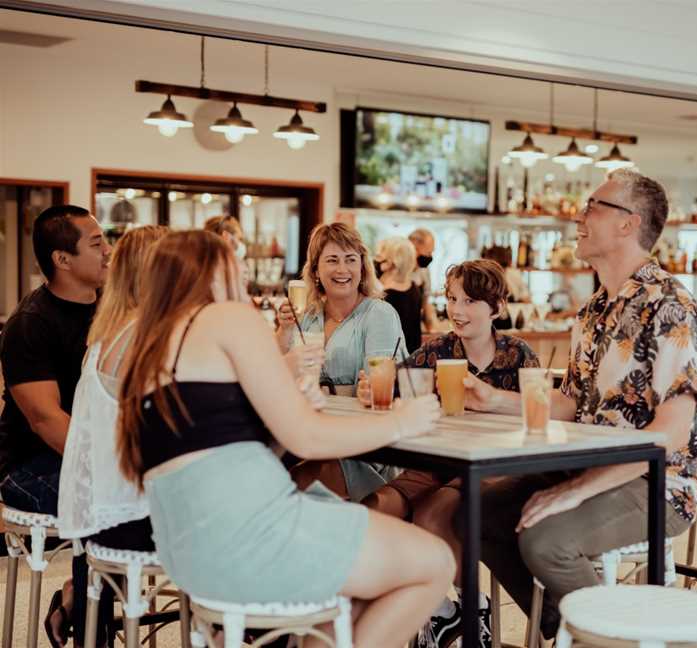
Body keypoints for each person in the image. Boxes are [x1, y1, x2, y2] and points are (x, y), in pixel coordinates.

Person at [115, 230, 453, 648]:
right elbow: (307, 438)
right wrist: (404, 420)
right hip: (252, 536)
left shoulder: (149, 346)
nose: (242, 273)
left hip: (189, 553)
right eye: (234, 263)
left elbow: (245, 445)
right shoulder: (226, 318)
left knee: (360, 588)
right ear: (212, 271)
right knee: (435, 562)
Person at [465, 169, 697, 639]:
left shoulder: (670, 305)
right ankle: (567, 620)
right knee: (476, 510)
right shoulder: (593, 311)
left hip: (658, 484)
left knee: (545, 540)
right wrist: (493, 398)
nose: (578, 216)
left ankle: (609, 636)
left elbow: (673, 433)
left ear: (627, 224)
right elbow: (568, 404)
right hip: (586, 466)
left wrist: (578, 490)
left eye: (593, 206)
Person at [358, 259, 539, 648]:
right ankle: (439, 609)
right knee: (375, 507)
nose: (456, 310)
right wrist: (372, 388)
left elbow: (540, 414)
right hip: (436, 462)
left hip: (492, 465)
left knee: (433, 513)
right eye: (452, 298)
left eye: (470, 300)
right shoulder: (436, 350)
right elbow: (396, 387)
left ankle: (472, 609)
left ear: (497, 308)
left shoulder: (519, 355)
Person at [0, 205, 111, 647]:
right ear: (62, 260)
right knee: (104, 499)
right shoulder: (30, 324)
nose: (109, 252)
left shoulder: (110, 306)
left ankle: (76, 600)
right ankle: (89, 627)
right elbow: (47, 421)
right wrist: (113, 462)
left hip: (90, 452)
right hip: (28, 466)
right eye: (97, 243)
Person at [57, 225, 167, 648]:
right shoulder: (149, 339)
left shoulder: (108, 335)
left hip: (101, 518)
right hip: (132, 520)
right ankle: (242, 626)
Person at [275, 222, 406, 501]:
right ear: (315, 271)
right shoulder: (307, 315)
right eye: (332, 260)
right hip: (312, 434)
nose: (342, 270)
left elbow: (381, 384)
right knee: (266, 470)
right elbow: (272, 375)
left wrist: (367, 390)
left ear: (362, 266)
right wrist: (283, 332)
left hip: (363, 445)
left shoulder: (378, 314)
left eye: (350, 260)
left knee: (297, 481)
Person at [375, 236, 423, 353]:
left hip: (391, 358)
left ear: (390, 263)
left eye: (380, 257)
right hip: (413, 356)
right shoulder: (415, 289)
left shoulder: (384, 296)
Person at [408, 228, 439, 332]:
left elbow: (425, 303)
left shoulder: (424, 271)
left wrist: (431, 329)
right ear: (414, 247)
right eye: (428, 251)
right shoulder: (397, 271)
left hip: (415, 330)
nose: (430, 256)